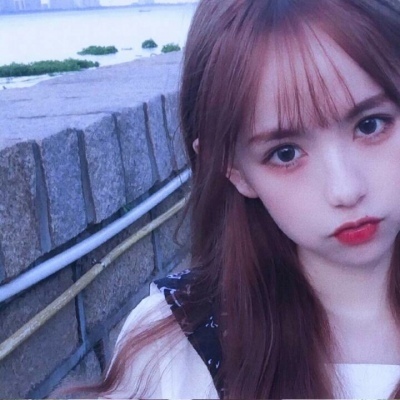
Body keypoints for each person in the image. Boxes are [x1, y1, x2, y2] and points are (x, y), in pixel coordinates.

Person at [84, 0, 400, 398]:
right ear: (234, 169)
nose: (346, 190)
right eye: (285, 153)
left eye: (370, 125)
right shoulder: (172, 353)